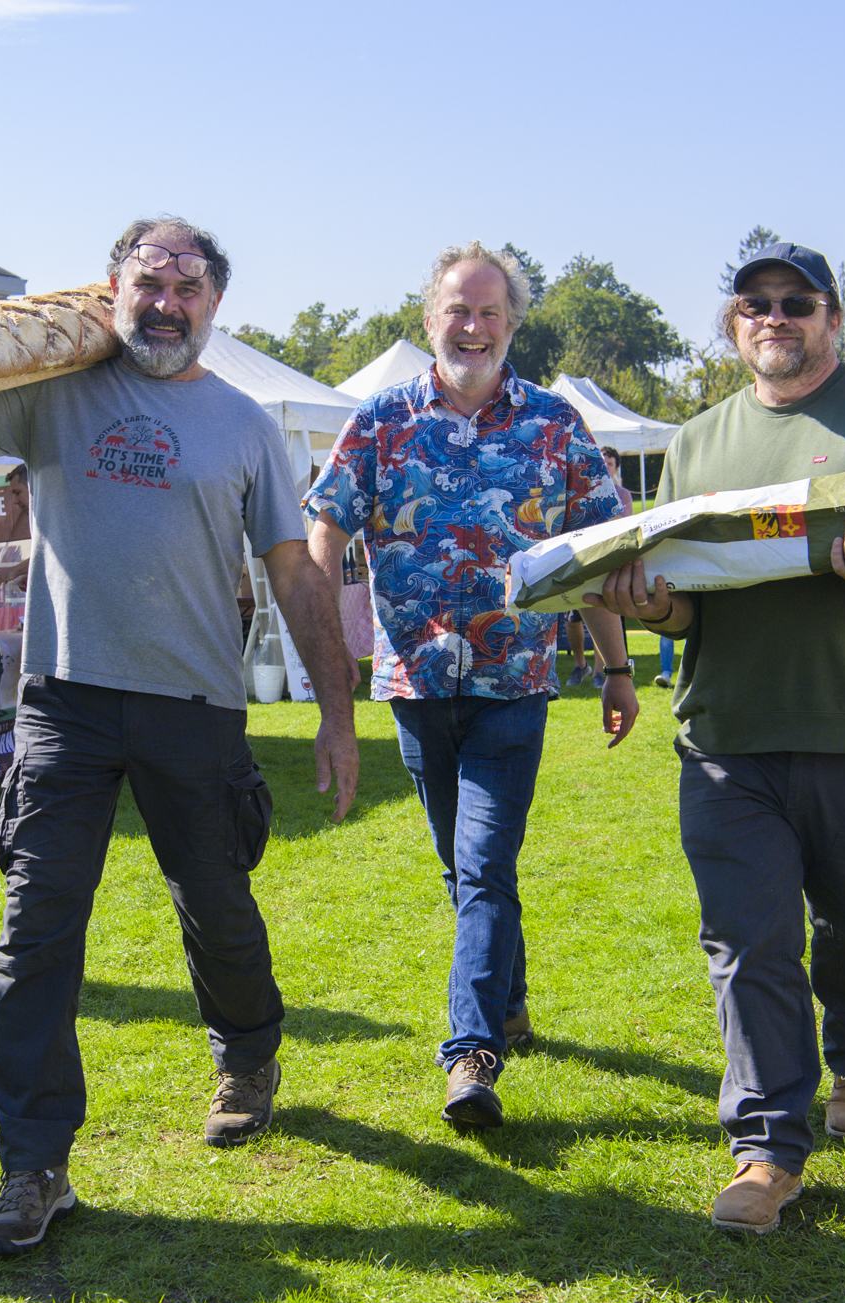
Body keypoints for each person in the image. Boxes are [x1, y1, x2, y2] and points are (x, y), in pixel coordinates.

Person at [0, 215, 359, 1258]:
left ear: (213, 307)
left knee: (216, 904)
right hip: (65, 701)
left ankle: (246, 1051)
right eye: (148, 282)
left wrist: (334, 712)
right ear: (113, 292)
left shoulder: (244, 425)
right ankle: (32, 1165)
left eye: (187, 288)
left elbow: (293, 570)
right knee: (35, 931)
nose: (166, 302)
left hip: (193, 705)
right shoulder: (58, 391)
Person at [584, 241, 845, 1236]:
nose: (774, 316)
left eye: (796, 302)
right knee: (746, 940)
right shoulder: (694, 443)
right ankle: (764, 1149)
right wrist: (648, 607)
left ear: (830, 319)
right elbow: (686, 609)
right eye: (754, 303)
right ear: (732, 324)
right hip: (724, 734)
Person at [307, 241, 637, 1133]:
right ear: (429, 319)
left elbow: (599, 558)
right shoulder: (377, 421)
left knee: (484, 866)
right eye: (459, 309)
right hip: (415, 682)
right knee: (464, 870)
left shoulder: (556, 425)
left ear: (512, 324)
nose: (474, 326)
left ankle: (470, 1055)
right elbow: (322, 533)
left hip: (516, 683)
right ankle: (512, 1000)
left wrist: (614, 667)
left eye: (491, 312)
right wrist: (334, 629)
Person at [564, 446, 636, 684]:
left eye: (610, 464)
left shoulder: (623, 495)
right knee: (572, 621)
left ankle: (598, 672)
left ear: (616, 468)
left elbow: (621, 526)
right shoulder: (581, 490)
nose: (605, 467)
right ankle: (580, 665)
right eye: (601, 463)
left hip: (606, 564)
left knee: (602, 617)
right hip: (582, 563)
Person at [0, 464, 31, 593]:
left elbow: (49, 555)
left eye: (18, 493)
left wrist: (14, 570)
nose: (15, 501)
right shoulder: (38, 518)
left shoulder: (54, 516)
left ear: (33, 487)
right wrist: (32, 572)